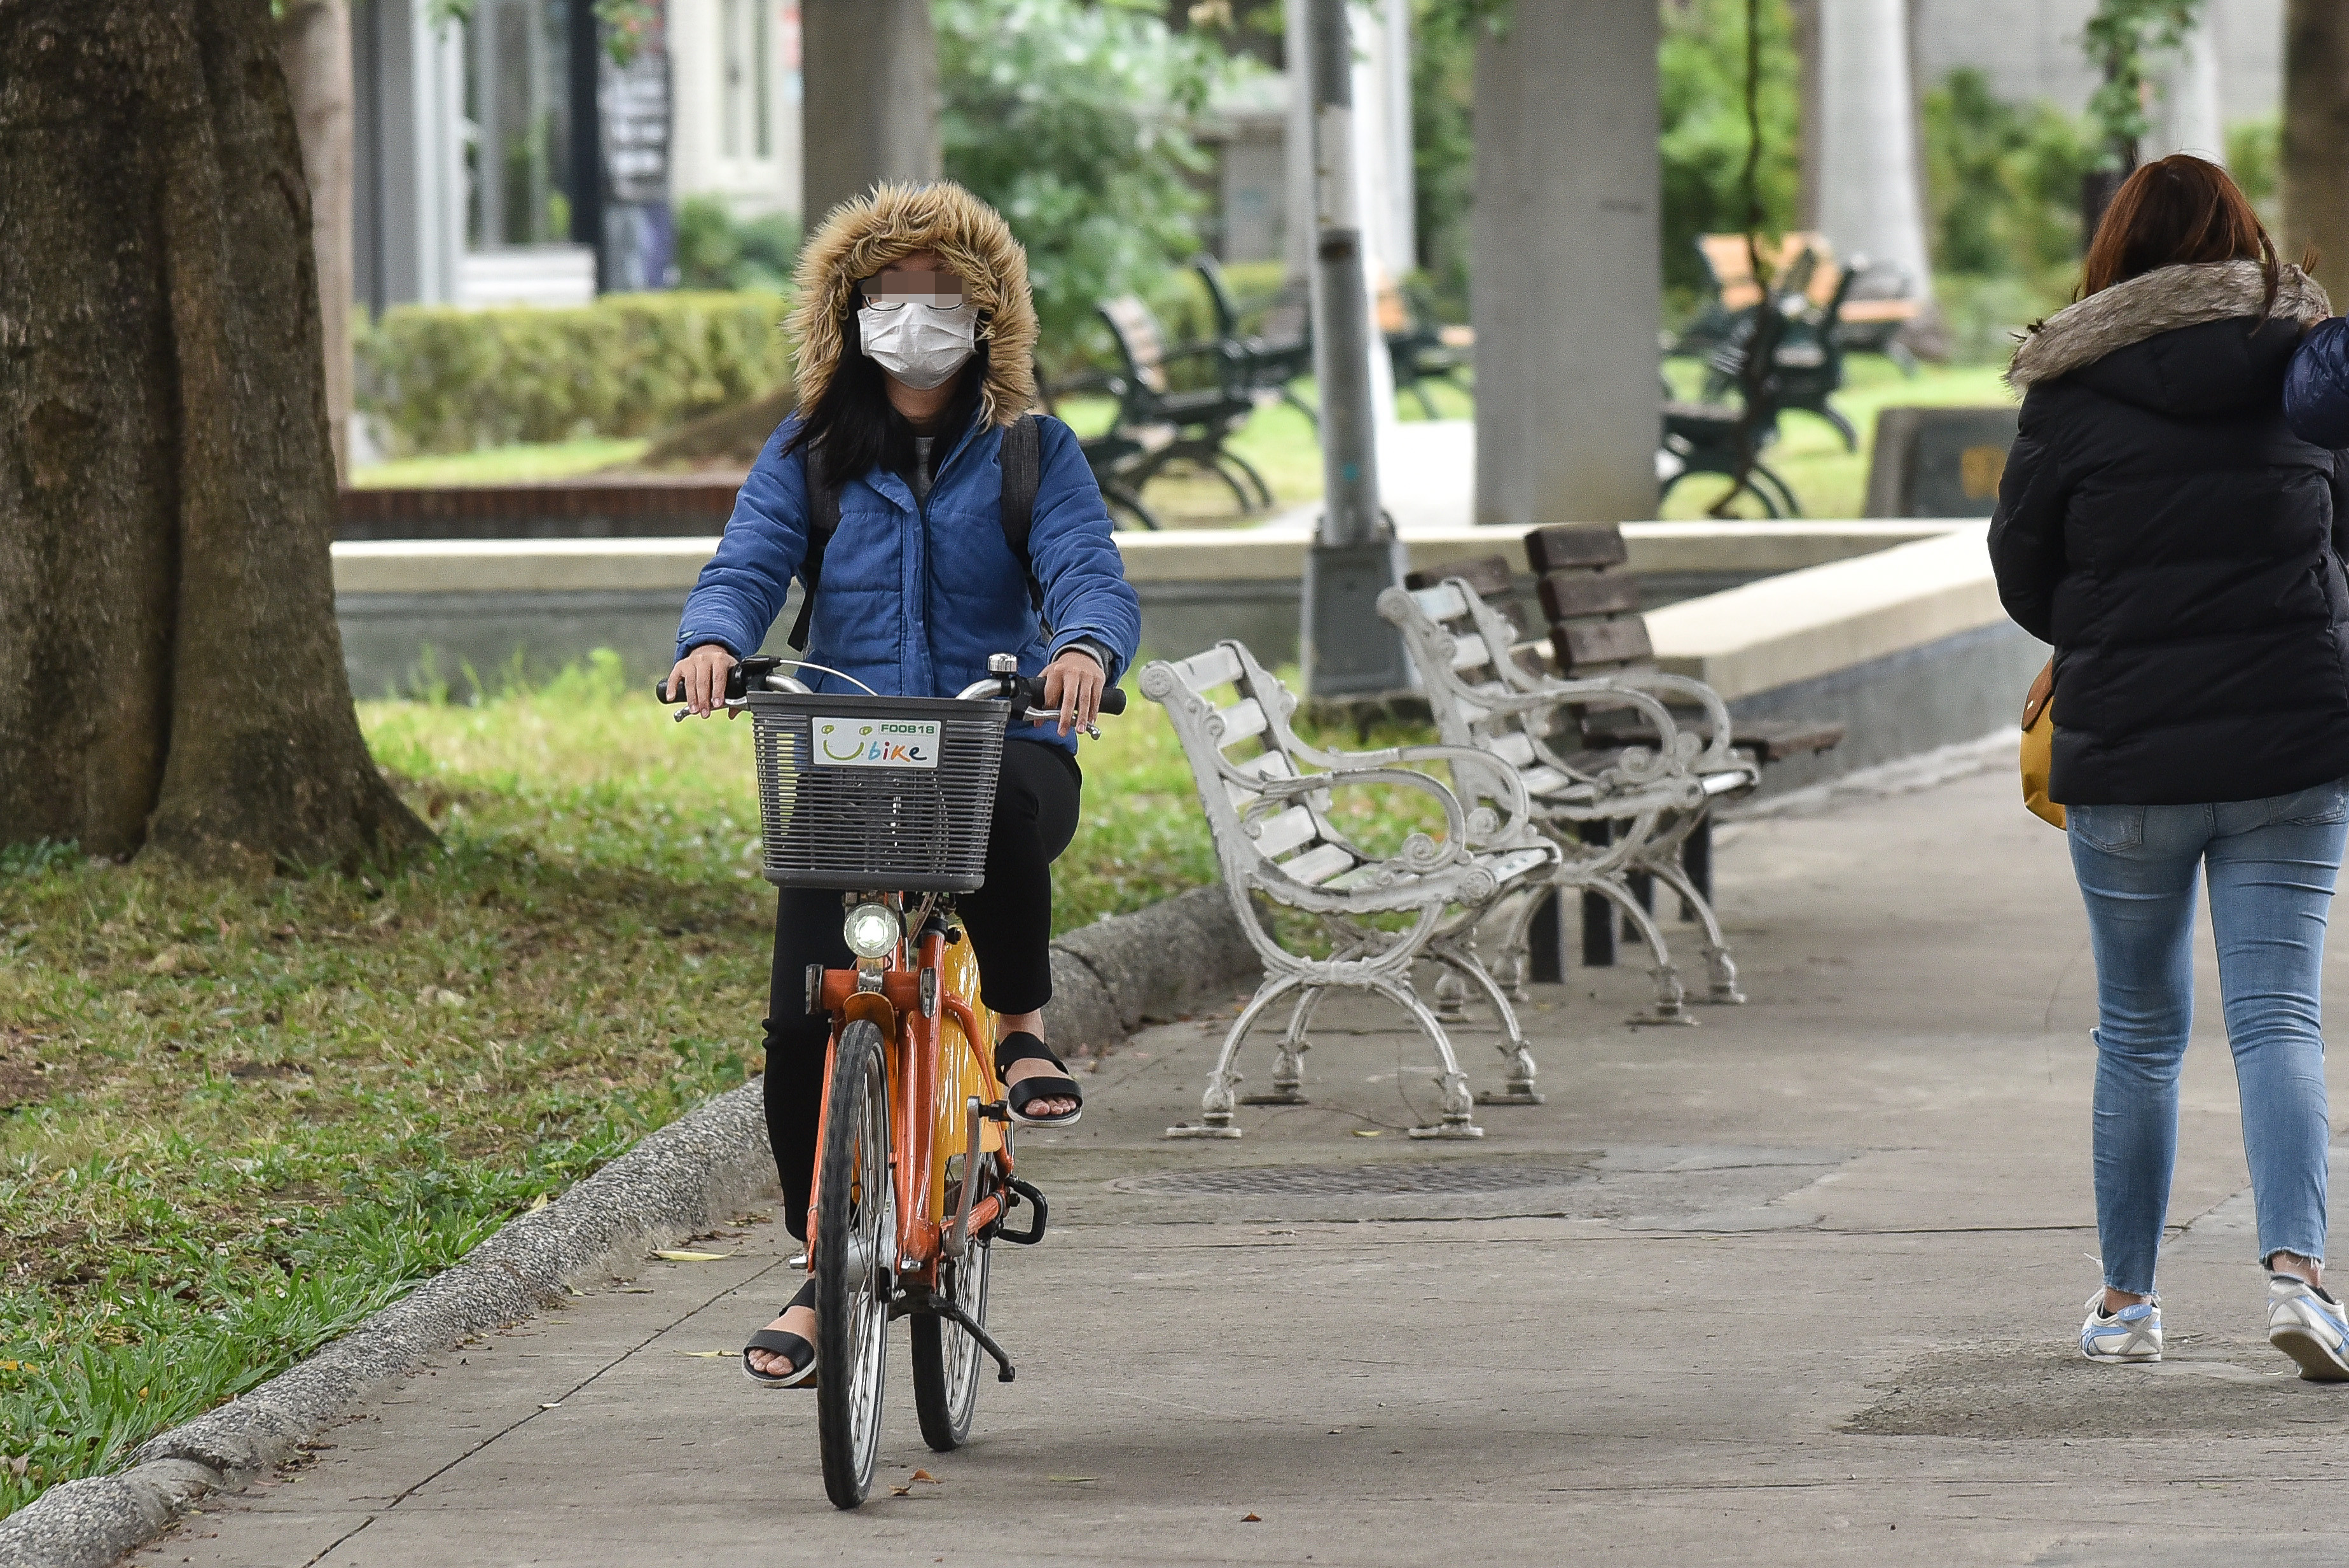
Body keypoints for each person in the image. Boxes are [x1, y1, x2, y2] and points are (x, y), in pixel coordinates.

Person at [667, 182, 1140, 1389]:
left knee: (1004, 814)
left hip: (995, 737)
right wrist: (711, 641)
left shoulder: (1035, 452)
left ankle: (1023, 1035)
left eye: (941, 295)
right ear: (850, 310)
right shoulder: (813, 449)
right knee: (798, 1025)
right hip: (844, 758)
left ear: (987, 317)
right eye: (890, 293)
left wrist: (1083, 649)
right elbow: (748, 561)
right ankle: (822, 1268)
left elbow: (1087, 569)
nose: (914, 315)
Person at [1989, 155, 2349, 1378]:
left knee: (2137, 1032)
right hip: (2295, 740)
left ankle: (2127, 1303)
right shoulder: (2308, 379)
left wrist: (2095, 638)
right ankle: (2299, 1281)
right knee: (2278, 1016)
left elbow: (2022, 573)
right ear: (2245, 241)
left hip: (2132, 747)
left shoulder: (2068, 390)